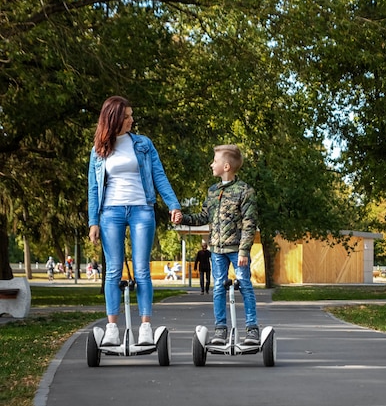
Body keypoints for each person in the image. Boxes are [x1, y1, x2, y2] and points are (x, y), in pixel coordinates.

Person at [88, 95, 182, 347]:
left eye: (131, 115)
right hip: (111, 212)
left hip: (142, 209)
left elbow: (159, 176)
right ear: (114, 118)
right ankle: (111, 328)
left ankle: (145, 327)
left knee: (142, 270)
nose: (131, 120)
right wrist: (93, 222)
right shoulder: (99, 150)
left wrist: (173, 204)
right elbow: (93, 190)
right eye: (127, 116)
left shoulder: (143, 144)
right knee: (113, 271)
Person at [174, 144, 259, 345]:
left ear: (226, 166)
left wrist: (244, 250)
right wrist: (183, 218)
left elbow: (249, 224)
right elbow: (204, 216)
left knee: (245, 285)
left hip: (237, 250)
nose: (211, 164)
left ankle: (252, 328)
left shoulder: (245, 191)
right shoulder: (212, 191)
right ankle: (220, 328)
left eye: (215, 161)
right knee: (219, 288)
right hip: (216, 250)